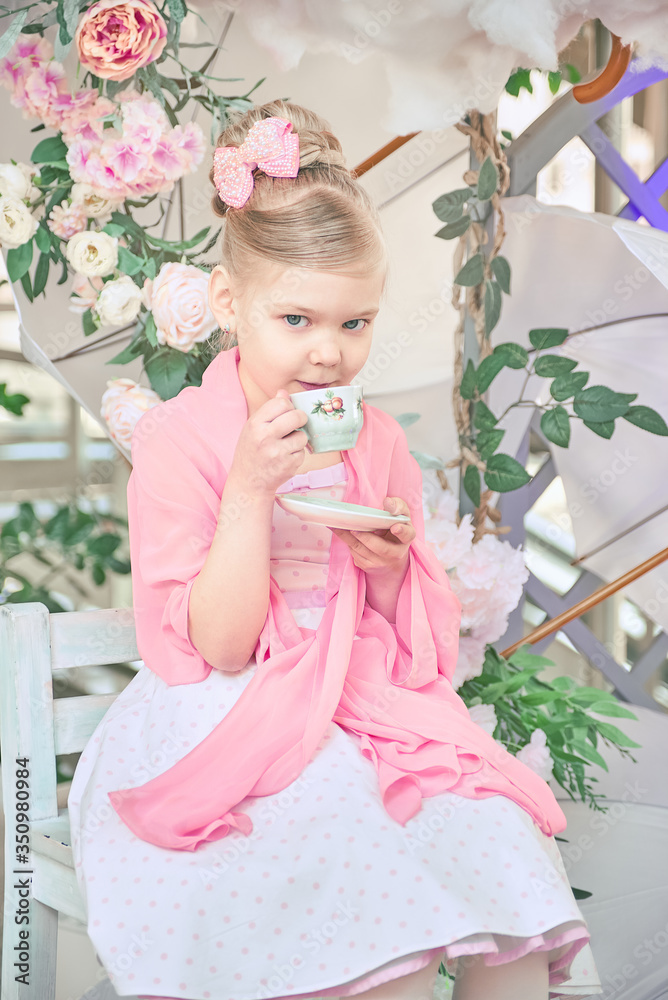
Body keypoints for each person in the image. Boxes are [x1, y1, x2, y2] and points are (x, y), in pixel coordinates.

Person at [67, 100, 599, 1000]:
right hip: (229, 709)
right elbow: (219, 647)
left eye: (355, 325)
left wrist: (390, 571)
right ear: (230, 304)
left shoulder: (372, 438)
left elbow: (413, 641)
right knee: (357, 886)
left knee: (496, 840)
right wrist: (248, 488)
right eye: (298, 320)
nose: (328, 355)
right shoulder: (179, 442)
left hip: (362, 694)